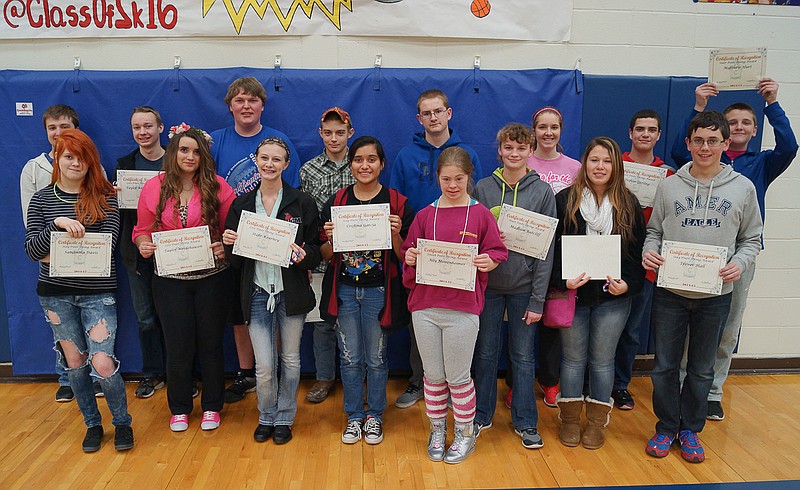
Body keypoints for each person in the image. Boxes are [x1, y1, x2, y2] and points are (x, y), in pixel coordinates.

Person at [670, 79, 798, 421]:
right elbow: (678, 150)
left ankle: (713, 391)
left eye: (746, 122)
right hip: (693, 255)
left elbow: (789, 146)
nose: (740, 127)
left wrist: (772, 103)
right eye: (734, 122)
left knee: (728, 327)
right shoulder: (704, 155)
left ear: (754, 130)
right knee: (689, 326)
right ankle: (686, 386)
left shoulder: (763, 163)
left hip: (735, 260)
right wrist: (698, 107)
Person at [644, 111, 762, 463]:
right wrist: (650, 253)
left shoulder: (743, 188)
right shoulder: (669, 186)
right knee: (664, 365)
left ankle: (690, 430)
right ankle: (666, 427)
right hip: (670, 293)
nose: (705, 147)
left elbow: (751, 239)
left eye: (713, 140)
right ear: (688, 143)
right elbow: (654, 233)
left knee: (700, 368)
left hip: (715, 295)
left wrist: (738, 264)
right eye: (699, 140)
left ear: (726, 144)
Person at [24, 128, 133, 452]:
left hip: (98, 293)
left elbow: (107, 246)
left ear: (91, 162)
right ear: (57, 158)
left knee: (101, 362)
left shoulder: (106, 198)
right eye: (69, 156)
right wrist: (56, 224)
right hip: (55, 295)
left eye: (82, 157)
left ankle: (122, 423)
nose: (75, 163)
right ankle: (92, 424)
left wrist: (56, 249)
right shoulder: (42, 200)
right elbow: (33, 250)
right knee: (74, 363)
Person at [402, 147, 507, 464]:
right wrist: (409, 257)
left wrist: (490, 260)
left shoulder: (481, 214)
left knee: (459, 377)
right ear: (437, 178)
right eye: (446, 179)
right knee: (433, 377)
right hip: (426, 308)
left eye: (458, 179)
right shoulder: (424, 216)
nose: (452, 185)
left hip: (462, 309)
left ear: (468, 177)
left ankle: (463, 433)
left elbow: (497, 251)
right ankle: (437, 429)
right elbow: (409, 255)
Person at [134, 124, 236, 432]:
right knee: (178, 346)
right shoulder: (154, 186)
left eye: (195, 151)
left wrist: (223, 245)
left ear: (204, 154)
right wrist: (143, 244)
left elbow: (232, 232)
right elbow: (140, 231)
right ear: (173, 152)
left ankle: (212, 406)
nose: (189, 156)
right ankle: (179, 408)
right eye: (183, 150)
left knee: (210, 344)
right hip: (169, 279)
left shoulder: (219, 187)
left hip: (212, 278)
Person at [223, 137, 321, 445]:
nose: (269, 164)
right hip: (255, 293)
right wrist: (230, 244)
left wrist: (307, 256)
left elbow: (318, 248)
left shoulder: (301, 202)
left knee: (290, 359)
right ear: (256, 160)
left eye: (276, 159)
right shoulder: (241, 204)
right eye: (264, 158)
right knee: (264, 365)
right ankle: (266, 415)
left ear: (286, 164)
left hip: (289, 293)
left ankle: (285, 417)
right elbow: (234, 262)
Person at [390, 89, 483, 409]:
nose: (433, 117)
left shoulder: (467, 153)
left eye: (438, 111)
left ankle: (460, 384)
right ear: (419, 118)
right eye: (426, 113)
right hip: (421, 251)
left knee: (459, 321)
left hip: (460, 253)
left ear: (449, 113)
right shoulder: (405, 156)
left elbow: (479, 202)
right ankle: (419, 381)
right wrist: (405, 249)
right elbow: (398, 207)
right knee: (423, 317)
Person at [210, 77, 300, 404]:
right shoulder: (217, 141)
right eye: (239, 100)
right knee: (240, 312)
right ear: (230, 105)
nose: (246, 106)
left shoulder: (279, 141)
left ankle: (269, 368)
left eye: (252, 100)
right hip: (233, 243)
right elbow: (208, 190)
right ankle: (248, 373)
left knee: (273, 306)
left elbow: (293, 194)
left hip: (274, 243)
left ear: (262, 105)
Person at [319, 136, 414, 445]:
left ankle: (374, 415)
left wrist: (396, 234)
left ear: (381, 164)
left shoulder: (397, 202)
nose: (365, 165)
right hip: (345, 290)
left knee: (376, 358)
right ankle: (354, 417)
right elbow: (324, 254)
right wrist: (331, 240)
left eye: (371, 159)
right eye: (359, 159)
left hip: (378, 292)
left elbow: (405, 258)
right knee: (349, 358)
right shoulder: (337, 201)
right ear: (351, 164)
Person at [551, 137, 645, 450]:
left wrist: (628, 284)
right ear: (584, 164)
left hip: (612, 299)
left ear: (616, 165)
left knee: (603, 362)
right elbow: (552, 251)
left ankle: (595, 422)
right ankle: (568, 420)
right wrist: (562, 282)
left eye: (606, 161)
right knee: (573, 361)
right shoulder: (566, 200)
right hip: (574, 297)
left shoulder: (628, 203)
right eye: (594, 160)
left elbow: (635, 254)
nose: (600, 166)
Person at [472, 123, 556, 449]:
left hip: (524, 289)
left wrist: (538, 300)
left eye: (521, 149)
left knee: (522, 357)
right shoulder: (482, 188)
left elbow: (546, 251)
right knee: (486, 354)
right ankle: (481, 415)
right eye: (509, 148)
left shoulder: (543, 192)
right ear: (500, 151)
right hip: (490, 287)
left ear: (530, 152)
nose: (514, 154)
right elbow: (471, 238)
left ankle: (525, 421)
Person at [510, 106, 581, 409]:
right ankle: (517, 383)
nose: (548, 133)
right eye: (542, 127)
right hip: (523, 252)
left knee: (551, 321)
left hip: (560, 252)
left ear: (561, 130)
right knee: (522, 325)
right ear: (533, 131)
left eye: (554, 127)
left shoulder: (575, 167)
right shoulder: (522, 159)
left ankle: (550, 381)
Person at [612, 109, 674, 411]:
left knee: (631, 330)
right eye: (640, 129)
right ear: (631, 133)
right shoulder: (615, 165)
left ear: (658, 135)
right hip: (608, 256)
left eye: (651, 130)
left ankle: (620, 385)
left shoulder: (668, 175)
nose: (645, 134)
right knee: (600, 324)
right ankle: (591, 380)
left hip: (644, 263)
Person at [20, 104, 80, 403]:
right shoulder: (34, 168)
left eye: (64, 127)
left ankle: (92, 375)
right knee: (61, 323)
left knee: (92, 320)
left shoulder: (87, 161)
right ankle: (67, 378)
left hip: (86, 258)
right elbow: (28, 219)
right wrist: (45, 252)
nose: (58, 133)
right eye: (52, 128)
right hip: (50, 258)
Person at [299, 107, 357, 404]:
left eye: (340, 132)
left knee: (354, 320)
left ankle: (354, 378)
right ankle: (324, 377)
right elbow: (304, 217)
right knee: (322, 322)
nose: (334, 138)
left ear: (350, 132)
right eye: (328, 132)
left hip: (360, 258)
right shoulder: (308, 170)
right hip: (323, 257)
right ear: (320, 133)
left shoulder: (360, 163)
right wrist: (308, 258)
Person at [113, 106, 168, 399]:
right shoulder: (124, 165)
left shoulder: (177, 160)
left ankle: (181, 373)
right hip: (137, 252)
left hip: (175, 250)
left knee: (177, 315)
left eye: (148, 126)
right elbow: (119, 215)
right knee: (145, 316)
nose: (143, 132)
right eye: (137, 127)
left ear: (161, 128)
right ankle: (152, 373)